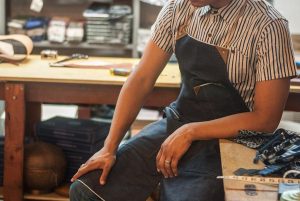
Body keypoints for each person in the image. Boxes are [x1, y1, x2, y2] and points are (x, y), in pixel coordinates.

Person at [69, 0, 298, 200]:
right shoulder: (177, 9)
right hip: (178, 124)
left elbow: (265, 118)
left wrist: (190, 132)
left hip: (233, 140)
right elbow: (141, 79)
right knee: (88, 190)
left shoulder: (269, 26)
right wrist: (109, 148)